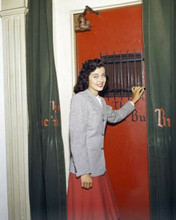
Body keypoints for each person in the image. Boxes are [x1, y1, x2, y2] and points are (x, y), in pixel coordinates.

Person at [67, 58, 145, 220]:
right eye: (95, 76)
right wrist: (84, 172)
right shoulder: (80, 99)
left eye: (103, 75)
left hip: (97, 166)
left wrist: (133, 101)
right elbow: (77, 138)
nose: (100, 80)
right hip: (85, 170)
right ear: (86, 78)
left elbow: (115, 116)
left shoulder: (100, 101)